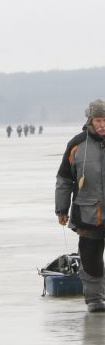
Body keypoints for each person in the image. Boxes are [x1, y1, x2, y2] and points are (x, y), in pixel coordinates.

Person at [56, 100, 105, 312]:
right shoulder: (77, 144)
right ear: (90, 121)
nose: (102, 124)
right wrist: (61, 209)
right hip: (88, 212)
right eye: (99, 120)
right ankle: (94, 300)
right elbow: (64, 179)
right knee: (91, 258)